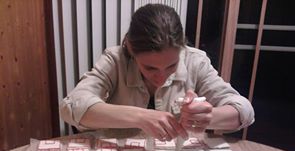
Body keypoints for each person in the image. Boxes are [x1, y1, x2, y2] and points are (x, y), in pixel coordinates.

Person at [60, 4, 254, 142]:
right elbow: (71, 107)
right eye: (150, 68)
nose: (161, 78)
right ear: (131, 49)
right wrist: (140, 117)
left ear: (182, 49)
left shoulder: (195, 60)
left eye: (172, 66)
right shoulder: (115, 59)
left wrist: (208, 117)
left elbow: (244, 110)